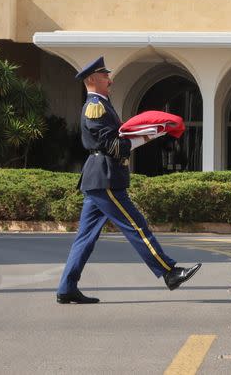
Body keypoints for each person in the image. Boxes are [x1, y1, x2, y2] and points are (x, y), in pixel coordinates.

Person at [56, 56, 201, 304]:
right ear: (92, 79)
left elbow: (117, 138)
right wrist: (147, 136)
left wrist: (147, 135)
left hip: (100, 177)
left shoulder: (102, 104)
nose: (110, 80)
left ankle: (66, 288)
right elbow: (112, 145)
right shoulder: (96, 106)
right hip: (106, 177)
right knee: (136, 225)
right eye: (105, 76)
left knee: (85, 238)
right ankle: (169, 272)